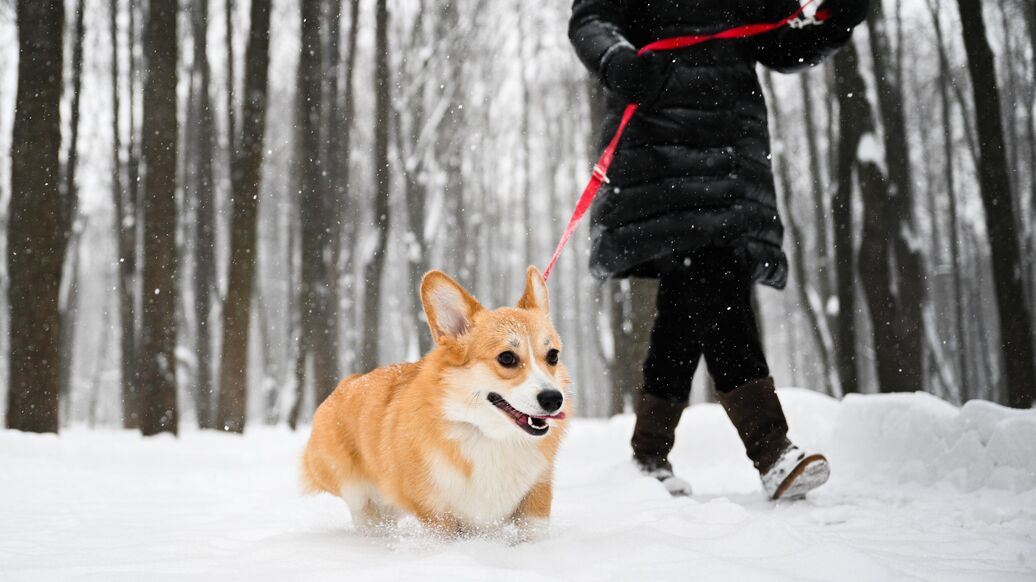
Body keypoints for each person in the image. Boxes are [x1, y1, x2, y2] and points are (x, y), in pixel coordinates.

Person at [568, 0, 869, 499]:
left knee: (686, 307)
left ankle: (647, 456)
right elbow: (592, 20)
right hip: (658, 150)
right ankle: (772, 450)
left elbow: (778, 41)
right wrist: (619, 62)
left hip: (730, 156)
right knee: (712, 280)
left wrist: (837, 18)